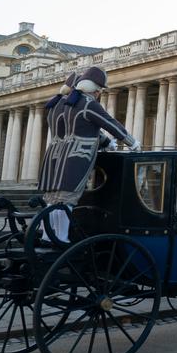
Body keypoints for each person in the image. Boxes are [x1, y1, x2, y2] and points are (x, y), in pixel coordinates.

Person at [38, 66, 139, 242]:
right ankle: (60, 238)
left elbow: (85, 128)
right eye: (100, 91)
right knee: (67, 198)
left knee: (54, 198)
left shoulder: (64, 105)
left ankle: (48, 236)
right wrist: (132, 142)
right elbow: (109, 123)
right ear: (96, 90)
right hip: (79, 155)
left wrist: (106, 143)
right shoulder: (88, 103)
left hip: (59, 153)